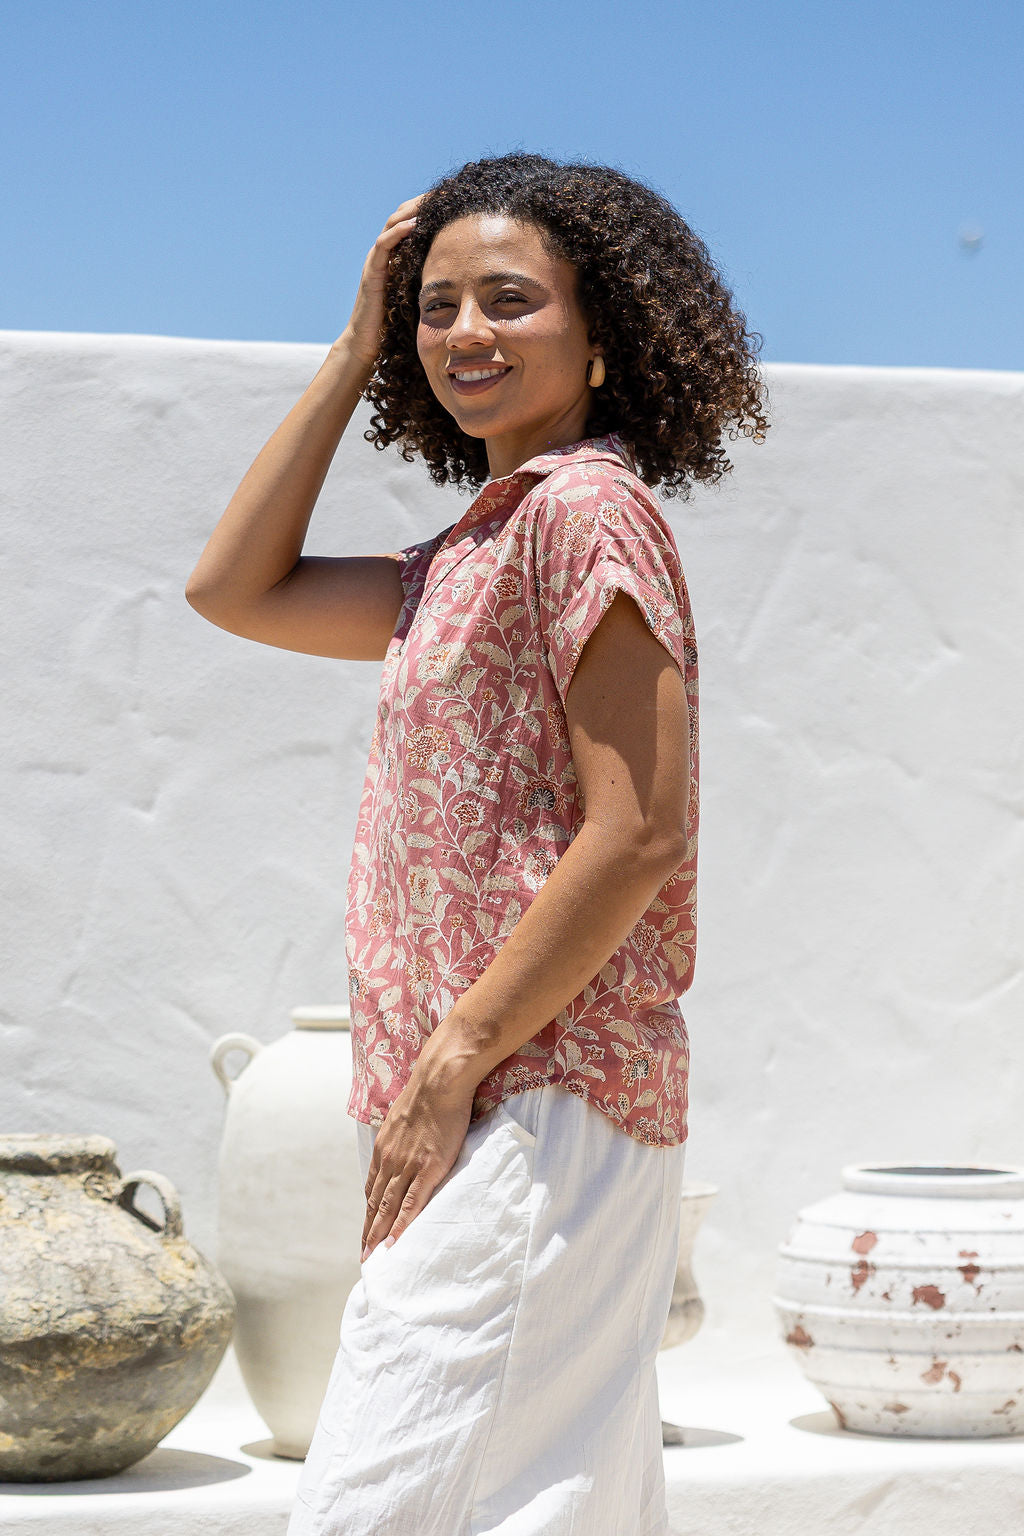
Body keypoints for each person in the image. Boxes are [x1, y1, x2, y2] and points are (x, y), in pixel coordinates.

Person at [186, 151, 768, 1536]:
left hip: (541, 1096)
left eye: (508, 301)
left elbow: (640, 833)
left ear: (606, 339)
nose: (464, 335)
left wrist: (454, 1061)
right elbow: (233, 587)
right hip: (511, 1100)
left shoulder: (582, 513)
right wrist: (349, 352)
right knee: (553, 1509)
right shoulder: (465, 553)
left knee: (375, 1506)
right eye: (434, 309)